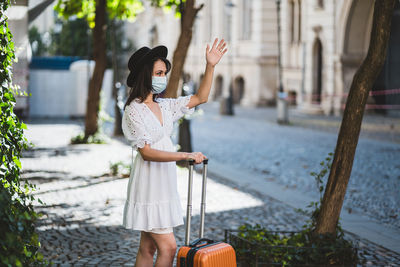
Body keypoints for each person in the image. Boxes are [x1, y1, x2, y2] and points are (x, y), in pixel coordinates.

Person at [121, 38, 227, 267]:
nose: (162, 78)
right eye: (158, 73)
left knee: (147, 248)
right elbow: (146, 153)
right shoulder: (133, 110)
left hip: (164, 183)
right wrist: (185, 156)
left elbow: (201, 97)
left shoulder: (165, 106)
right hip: (149, 184)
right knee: (168, 248)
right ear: (145, 75)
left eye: (163, 73)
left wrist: (210, 66)